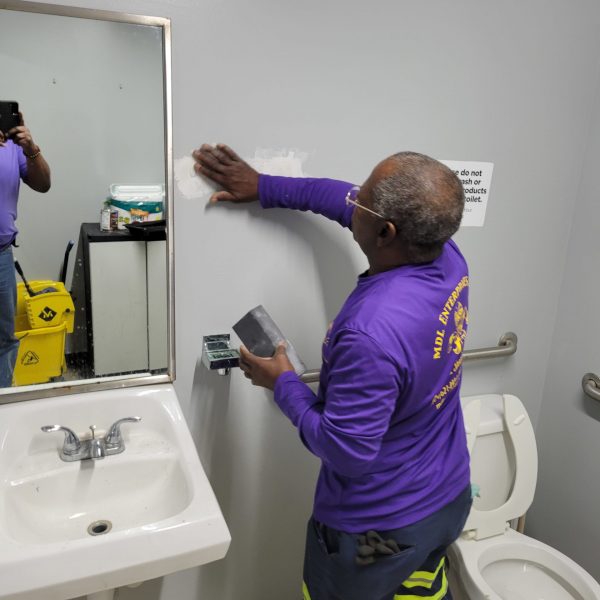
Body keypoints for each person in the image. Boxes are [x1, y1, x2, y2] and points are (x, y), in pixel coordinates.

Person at [193, 143, 472, 600]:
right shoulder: (445, 254)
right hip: (447, 501)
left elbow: (346, 453)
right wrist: (262, 186)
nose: (353, 197)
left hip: (376, 535)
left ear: (385, 232)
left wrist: (281, 382)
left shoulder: (371, 333)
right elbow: (337, 197)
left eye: (363, 196)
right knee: (421, 591)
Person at [0, 112, 51, 387]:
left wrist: (31, 150)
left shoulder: (12, 147)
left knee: (4, 341)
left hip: (1, 257)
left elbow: (43, 184)